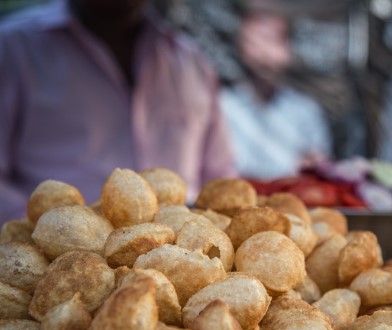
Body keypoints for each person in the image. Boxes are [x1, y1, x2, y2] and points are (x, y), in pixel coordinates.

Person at [0, 0, 236, 223]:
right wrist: (35, 226)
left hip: (186, 251)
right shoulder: (12, 49)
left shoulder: (192, 60)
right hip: (55, 256)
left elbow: (220, 175)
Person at [220, 6, 332, 180]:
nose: (264, 54)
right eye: (254, 43)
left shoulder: (306, 111)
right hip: (237, 200)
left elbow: (319, 167)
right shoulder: (224, 106)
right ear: (240, 48)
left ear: (288, 47)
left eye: (272, 41)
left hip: (291, 202)